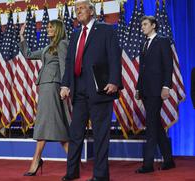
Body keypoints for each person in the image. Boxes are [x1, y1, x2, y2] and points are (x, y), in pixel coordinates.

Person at [60, 0, 122, 180]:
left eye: (81, 8)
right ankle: (72, 172)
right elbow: (70, 62)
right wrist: (65, 85)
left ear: (91, 10)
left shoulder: (106, 29)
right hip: (79, 92)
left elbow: (114, 56)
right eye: (76, 9)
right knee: (75, 134)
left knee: (101, 135)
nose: (78, 11)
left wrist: (114, 81)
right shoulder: (75, 34)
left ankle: (101, 176)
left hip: (101, 90)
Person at [19, 19, 70, 176]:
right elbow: (27, 55)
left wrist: (64, 86)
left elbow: (63, 66)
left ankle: (36, 160)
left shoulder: (62, 44)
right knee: (50, 122)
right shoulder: (48, 47)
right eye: (47, 27)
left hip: (54, 86)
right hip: (45, 86)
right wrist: (22, 37)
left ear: (58, 29)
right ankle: (71, 160)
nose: (48, 29)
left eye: (51, 27)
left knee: (51, 122)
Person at [135, 15, 175, 173]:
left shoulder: (162, 41)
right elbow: (141, 69)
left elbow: (168, 65)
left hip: (157, 90)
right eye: (142, 25)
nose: (142, 27)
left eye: (145, 24)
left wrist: (166, 86)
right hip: (145, 90)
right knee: (156, 125)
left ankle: (148, 164)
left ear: (153, 25)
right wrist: (138, 88)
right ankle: (169, 160)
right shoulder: (144, 43)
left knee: (151, 126)